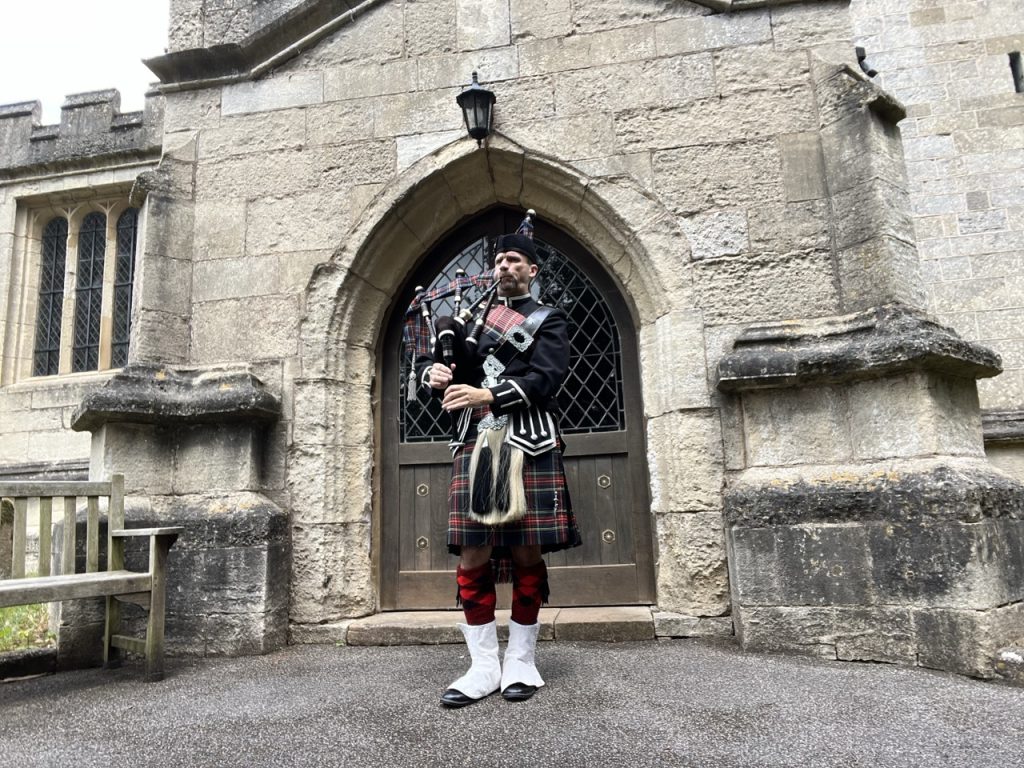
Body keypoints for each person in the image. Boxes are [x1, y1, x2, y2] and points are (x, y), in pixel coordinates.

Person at [414, 227, 581, 708]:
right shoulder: (472, 320)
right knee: (473, 552)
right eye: (500, 260)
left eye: (514, 260)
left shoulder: (550, 319)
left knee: (528, 550)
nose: (505, 266)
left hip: (528, 440)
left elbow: (547, 377)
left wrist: (488, 394)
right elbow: (436, 364)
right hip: (476, 440)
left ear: (532, 269)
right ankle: (484, 666)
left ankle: (522, 661)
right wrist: (434, 372)